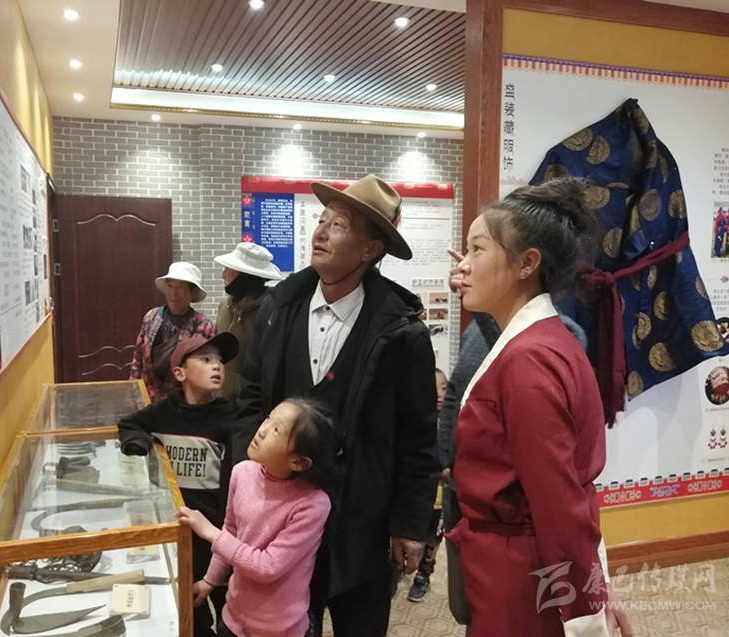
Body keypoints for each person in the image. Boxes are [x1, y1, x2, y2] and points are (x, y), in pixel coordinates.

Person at [236, 174, 439, 636]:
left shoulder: (401, 333)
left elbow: (418, 438)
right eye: (321, 220)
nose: (321, 233)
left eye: (339, 225)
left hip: (361, 521)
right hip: (280, 518)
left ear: (370, 249)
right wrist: (251, 479)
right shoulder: (278, 309)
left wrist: (410, 524)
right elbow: (249, 396)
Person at [445, 177, 609, 636]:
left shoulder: (528, 359)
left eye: (478, 250)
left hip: (522, 572)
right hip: (515, 560)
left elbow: (556, 500)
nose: (464, 266)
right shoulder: (542, 340)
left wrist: (586, 614)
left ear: (526, 263)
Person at [177, 398, 340, 637]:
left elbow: (267, 567)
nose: (262, 430)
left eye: (277, 430)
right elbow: (231, 529)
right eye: (268, 418)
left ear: (298, 462)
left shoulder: (313, 504)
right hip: (234, 616)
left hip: (280, 629)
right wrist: (211, 580)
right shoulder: (241, 472)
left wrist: (210, 532)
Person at [119, 331, 240, 637]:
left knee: (228, 605)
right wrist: (139, 444)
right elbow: (130, 423)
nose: (217, 366)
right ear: (180, 373)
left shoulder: (230, 417)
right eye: (206, 359)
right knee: (189, 607)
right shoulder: (163, 412)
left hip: (216, 532)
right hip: (177, 532)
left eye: (219, 361)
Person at [130, 262, 215, 402]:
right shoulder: (151, 317)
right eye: (170, 286)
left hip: (183, 403)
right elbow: (138, 357)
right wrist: (133, 393)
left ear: (193, 292)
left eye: (181, 287)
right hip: (149, 400)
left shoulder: (203, 326)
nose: (174, 293)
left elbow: (206, 371)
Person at [214, 242, 284, 404]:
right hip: (221, 401)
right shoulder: (224, 306)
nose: (222, 275)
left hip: (252, 403)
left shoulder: (272, 312)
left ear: (245, 276)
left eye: (228, 269)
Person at [407, 368, 448, 603]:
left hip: (440, 498)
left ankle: (423, 576)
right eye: (433, 390)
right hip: (419, 496)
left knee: (433, 538)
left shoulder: (451, 423)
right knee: (415, 534)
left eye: (444, 388)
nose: (439, 394)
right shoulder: (418, 423)